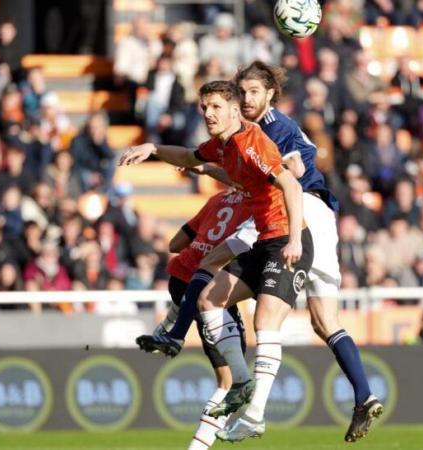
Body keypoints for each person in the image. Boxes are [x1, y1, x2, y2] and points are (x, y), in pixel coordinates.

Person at [136, 61, 382, 443]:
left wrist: (294, 225)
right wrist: (166, 154)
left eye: (253, 92)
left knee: (215, 262)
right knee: (324, 320)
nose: (246, 99)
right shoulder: (234, 138)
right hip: (303, 216)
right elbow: (222, 167)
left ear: (269, 94)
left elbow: (292, 174)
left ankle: (180, 334)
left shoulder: (270, 130)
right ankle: (364, 394)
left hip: (298, 213)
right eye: (242, 92)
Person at [120, 80, 312, 442]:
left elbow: (291, 185)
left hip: (285, 239)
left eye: (215, 108)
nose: (208, 113)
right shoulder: (223, 146)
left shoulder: (252, 144)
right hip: (262, 239)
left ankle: (254, 412)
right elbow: (190, 157)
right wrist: (153, 148)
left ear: (235, 111)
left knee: (264, 321)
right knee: (209, 296)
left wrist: (297, 240)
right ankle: (240, 381)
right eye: (204, 107)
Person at [140, 189, 253, 450]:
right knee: (229, 383)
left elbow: (175, 244)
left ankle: (171, 322)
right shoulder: (257, 204)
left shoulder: (216, 199)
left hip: (180, 277)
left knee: (189, 300)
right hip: (210, 288)